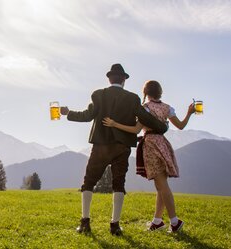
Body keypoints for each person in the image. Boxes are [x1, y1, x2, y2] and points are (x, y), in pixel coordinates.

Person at [60, 64, 168, 236]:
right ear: (124, 80)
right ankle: (115, 225)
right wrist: (163, 127)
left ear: (109, 79)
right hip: (121, 148)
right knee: (119, 184)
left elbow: (87, 116)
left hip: (100, 146)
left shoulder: (98, 94)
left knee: (88, 182)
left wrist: (68, 113)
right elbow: (146, 118)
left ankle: (85, 223)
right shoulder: (133, 99)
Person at [102, 80, 194, 233]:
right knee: (161, 185)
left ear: (145, 93)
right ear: (160, 92)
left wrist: (114, 124)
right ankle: (157, 221)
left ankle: (175, 222)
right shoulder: (167, 108)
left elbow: (136, 130)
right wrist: (189, 113)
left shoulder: (145, 109)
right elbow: (181, 126)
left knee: (162, 186)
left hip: (151, 145)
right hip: (163, 145)